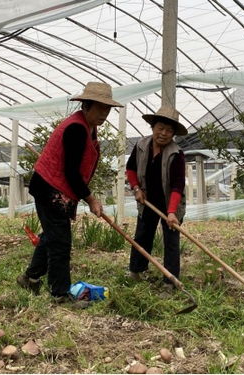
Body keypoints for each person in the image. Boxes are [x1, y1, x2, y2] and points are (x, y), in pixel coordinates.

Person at [17, 82, 123, 302]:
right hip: (49, 189)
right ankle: (59, 293)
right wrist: (91, 198)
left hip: (57, 189)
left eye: (107, 109)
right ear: (86, 105)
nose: (104, 114)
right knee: (60, 243)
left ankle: (30, 278)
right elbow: (71, 172)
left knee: (51, 236)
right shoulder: (75, 128)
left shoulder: (88, 127)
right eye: (100, 108)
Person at [126, 106, 187, 289]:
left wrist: (171, 212)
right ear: (153, 127)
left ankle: (170, 281)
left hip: (171, 204)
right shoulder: (141, 146)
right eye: (160, 128)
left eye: (169, 130)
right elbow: (131, 169)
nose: (164, 133)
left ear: (173, 134)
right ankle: (136, 271)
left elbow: (178, 185)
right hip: (147, 201)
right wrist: (136, 188)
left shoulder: (176, 154)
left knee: (171, 241)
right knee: (142, 235)